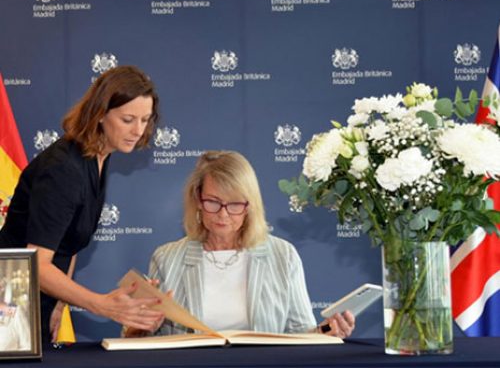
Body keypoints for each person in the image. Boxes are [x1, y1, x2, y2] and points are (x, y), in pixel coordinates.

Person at [0, 65, 165, 343]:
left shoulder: (97, 156)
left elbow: (68, 241)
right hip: (9, 307)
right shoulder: (64, 169)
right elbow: (36, 264)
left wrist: (60, 304)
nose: (138, 130)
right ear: (100, 114)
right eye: (128, 119)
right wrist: (101, 304)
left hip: (36, 301)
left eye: (145, 120)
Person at [126, 150, 355, 338]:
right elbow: (137, 338)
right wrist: (142, 326)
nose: (223, 215)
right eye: (213, 202)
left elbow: (302, 335)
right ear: (197, 198)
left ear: (250, 206)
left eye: (235, 204)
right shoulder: (166, 258)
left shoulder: (282, 255)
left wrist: (328, 332)